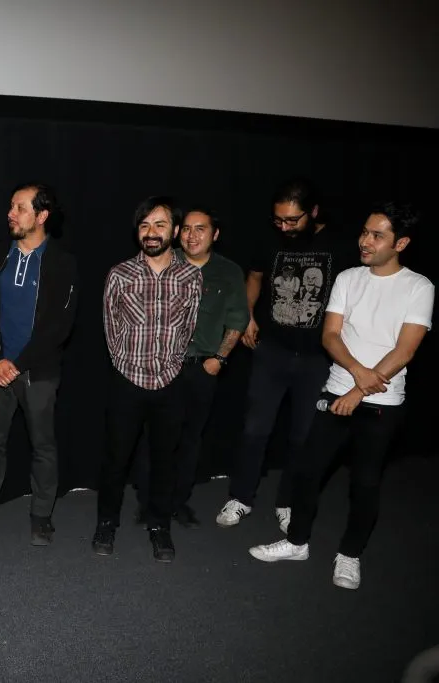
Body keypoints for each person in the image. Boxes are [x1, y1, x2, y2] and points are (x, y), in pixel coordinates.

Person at [248, 202, 432, 590]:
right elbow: (330, 335)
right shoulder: (348, 277)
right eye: (364, 232)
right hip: (335, 393)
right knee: (307, 471)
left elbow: (405, 350)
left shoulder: (419, 287)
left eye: (377, 235)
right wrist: (356, 377)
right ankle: (297, 542)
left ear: (400, 243)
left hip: (382, 404)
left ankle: (349, 555)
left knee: (364, 482)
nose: (365, 241)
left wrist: (359, 391)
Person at [218, 178, 355, 531]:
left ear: (314, 212)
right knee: (254, 429)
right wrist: (248, 315)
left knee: (302, 435)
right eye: (278, 220)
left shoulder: (341, 244)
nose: (284, 227)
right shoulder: (269, 238)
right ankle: (241, 497)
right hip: (272, 352)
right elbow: (255, 276)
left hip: (318, 358)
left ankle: (288, 501)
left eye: (292, 220)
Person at [0, 183, 78, 546]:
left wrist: (19, 363)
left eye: (20, 208)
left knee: (43, 445)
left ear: (42, 216)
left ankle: (41, 515)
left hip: (38, 373)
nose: (11, 214)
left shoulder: (62, 263)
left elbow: (59, 325)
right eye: (11, 206)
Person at [93, 196, 202, 562]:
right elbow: (110, 329)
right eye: (144, 225)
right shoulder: (120, 274)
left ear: (174, 230)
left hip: (170, 383)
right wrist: (125, 365)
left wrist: (170, 364)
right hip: (127, 380)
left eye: (159, 225)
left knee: (164, 461)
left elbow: (188, 328)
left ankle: (160, 527)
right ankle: (106, 523)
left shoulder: (191, 277)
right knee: (115, 459)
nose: (151, 232)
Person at [132, 208, 248, 528]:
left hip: (201, 368)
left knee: (190, 438)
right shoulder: (163, 261)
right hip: (161, 365)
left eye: (200, 229)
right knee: (152, 436)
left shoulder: (228, 271)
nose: (191, 235)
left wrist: (219, 359)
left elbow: (238, 319)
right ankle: (148, 502)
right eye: (186, 229)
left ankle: (177, 501)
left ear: (215, 234)